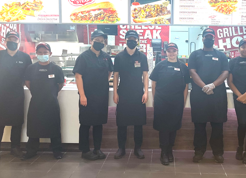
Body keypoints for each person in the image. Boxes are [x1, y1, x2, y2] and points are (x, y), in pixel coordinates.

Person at [0, 31, 32, 165]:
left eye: (15, 39)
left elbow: (28, 76)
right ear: (5, 40)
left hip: (18, 93)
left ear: (19, 41)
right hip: (2, 93)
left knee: (17, 123)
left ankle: (15, 148)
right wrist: (2, 84)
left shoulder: (25, 57)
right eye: (10, 39)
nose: (12, 41)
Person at [189, 28, 229, 163]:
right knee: (199, 125)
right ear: (203, 38)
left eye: (211, 37)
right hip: (199, 95)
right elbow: (192, 72)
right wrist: (204, 86)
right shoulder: (195, 54)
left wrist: (213, 85)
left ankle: (218, 152)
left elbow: (225, 72)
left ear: (214, 39)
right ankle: (199, 152)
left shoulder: (222, 55)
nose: (209, 39)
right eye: (206, 37)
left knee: (217, 126)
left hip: (217, 95)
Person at [73, 30, 114, 160]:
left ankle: (97, 149)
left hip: (101, 96)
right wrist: (82, 95)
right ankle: (85, 151)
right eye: (97, 40)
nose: (100, 43)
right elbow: (78, 76)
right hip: (87, 96)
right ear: (92, 41)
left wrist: (103, 82)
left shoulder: (106, 57)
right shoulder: (83, 57)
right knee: (85, 123)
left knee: (98, 124)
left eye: (102, 41)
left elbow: (110, 72)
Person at [21, 43, 65, 160]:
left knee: (54, 127)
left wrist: (51, 93)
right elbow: (27, 82)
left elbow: (60, 84)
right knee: (33, 127)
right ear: (36, 54)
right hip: (36, 102)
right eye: (40, 53)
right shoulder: (31, 68)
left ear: (50, 54)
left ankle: (57, 151)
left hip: (51, 102)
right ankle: (31, 150)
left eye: (45, 53)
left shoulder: (56, 69)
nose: (42, 54)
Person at [150, 43, 190, 166]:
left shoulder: (183, 67)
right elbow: (154, 84)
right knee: (163, 128)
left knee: (173, 127)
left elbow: (186, 87)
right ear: (166, 52)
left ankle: (170, 151)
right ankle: (163, 152)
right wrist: (155, 99)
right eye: (169, 51)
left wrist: (183, 102)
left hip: (176, 102)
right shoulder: (160, 66)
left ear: (177, 51)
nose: (171, 53)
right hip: (162, 101)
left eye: (173, 51)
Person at [113, 30, 149, 159]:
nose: (132, 41)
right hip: (123, 93)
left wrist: (146, 92)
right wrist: (115, 92)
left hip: (138, 93)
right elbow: (116, 75)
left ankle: (137, 148)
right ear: (126, 40)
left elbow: (145, 75)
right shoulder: (119, 57)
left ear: (137, 41)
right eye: (129, 38)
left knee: (138, 123)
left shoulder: (142, 57)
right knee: (121, 123)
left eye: (134, 39)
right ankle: (121, 148)